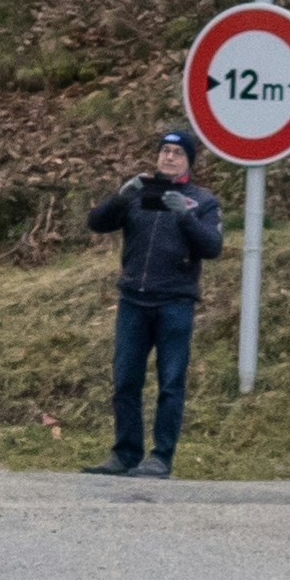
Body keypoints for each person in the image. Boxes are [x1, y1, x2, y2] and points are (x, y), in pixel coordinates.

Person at [84, 126, 227, 478]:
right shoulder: (138, 193)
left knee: (170, 383)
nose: (169, 157)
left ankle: (161, 457)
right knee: (125, 381)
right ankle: (125, 454)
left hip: (175, 303)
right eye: (164, 151)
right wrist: (120, 198)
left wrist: (184, 215)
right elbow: (97, 223)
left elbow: (213, 247)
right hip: (134, 300)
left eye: (177, 153)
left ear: (188, 161)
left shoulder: (203, 201)